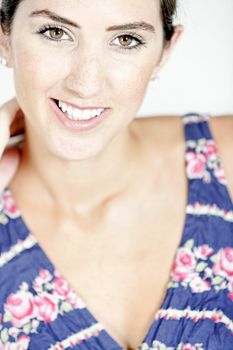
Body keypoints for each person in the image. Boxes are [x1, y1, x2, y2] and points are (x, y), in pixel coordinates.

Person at [0, 0, 233, 349]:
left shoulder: (226, 158)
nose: (86, 84)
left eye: (126, 40)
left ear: (164, 53)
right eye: (56, 32)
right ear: (4, 39)